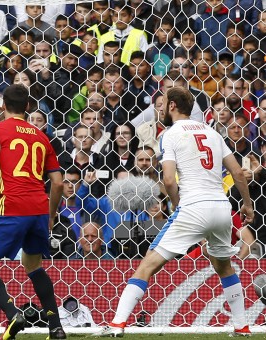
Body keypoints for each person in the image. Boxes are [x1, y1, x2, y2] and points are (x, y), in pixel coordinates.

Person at [97, 87, 254, 337]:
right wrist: (247, 204)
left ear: (172, 106)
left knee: (148, 263)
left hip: (192, 207)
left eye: (162, 104)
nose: (159, 109)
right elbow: (237, 173)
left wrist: (177, 203)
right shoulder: (213, 133)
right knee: (224, 266)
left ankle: (117, 324)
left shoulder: (170, 134)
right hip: (221, 208)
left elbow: (169, 179)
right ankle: (242, 326)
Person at [0, 84, 66, 340]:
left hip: (11, 207)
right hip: (38, 210)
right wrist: (51, 214)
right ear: (28, 107)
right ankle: (56, 327)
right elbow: (57, 183)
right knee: (33, 266)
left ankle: (13, 313)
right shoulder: (42, 136)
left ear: (2, 108)